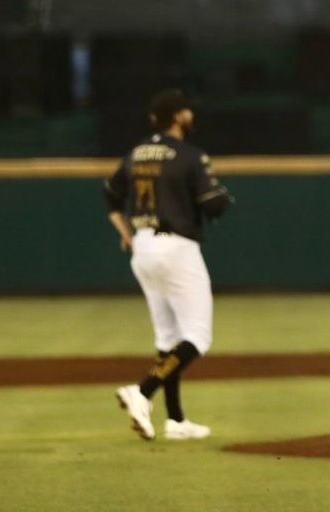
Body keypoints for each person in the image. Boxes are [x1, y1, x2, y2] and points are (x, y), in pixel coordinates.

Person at [103, 89, 233, 441]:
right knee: (197, 336)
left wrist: (126, 234)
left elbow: (110, 194)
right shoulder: (189, 154)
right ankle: (142, 391)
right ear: (177, 116)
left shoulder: (136, 152)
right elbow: (212, 204)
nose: (191, 116)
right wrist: (223, 198)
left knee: (168, 338)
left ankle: (175, 420)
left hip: (143, 246)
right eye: (187, 111)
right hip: (176, 246)